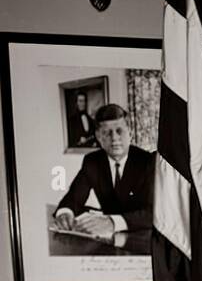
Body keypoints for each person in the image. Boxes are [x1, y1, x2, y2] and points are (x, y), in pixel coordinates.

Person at [54, 103, 154, 240]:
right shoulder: (92, 162)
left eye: (119, 131)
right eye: (106, 133)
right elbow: (74, 197)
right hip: (107, 240)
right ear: (98, 137)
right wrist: (65, 212)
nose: (114, 138)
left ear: (130, 132)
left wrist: (113, 222)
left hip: (142, 239)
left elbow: (153, 212)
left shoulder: (147, 162)